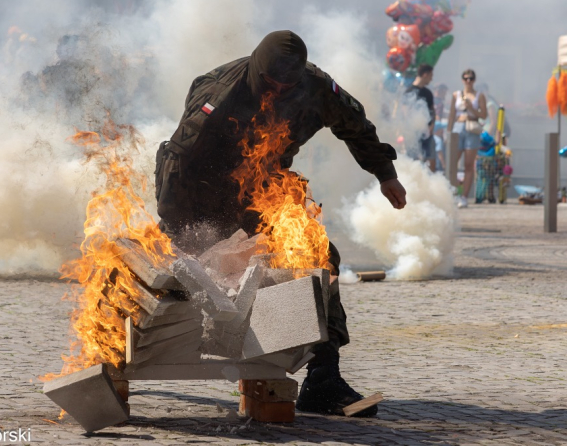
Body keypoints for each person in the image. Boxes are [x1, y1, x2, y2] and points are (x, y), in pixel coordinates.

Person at [155, 30, 406, 417]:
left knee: (319, 258)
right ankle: (232, 352)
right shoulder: (221, 91)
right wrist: (181, 230)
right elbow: (176, 160)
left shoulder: (316, 86)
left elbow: (354, 124)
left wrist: (385, 172)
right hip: (205, 196)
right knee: (219, 281)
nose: (277, 92)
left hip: (264, 191)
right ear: (258, 71)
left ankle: (323, 378)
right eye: (270, 83)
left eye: (286, 85)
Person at [447, 69, 488, 208]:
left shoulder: (479, 96)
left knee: (468, 165)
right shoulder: (456, 95)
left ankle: (464, 196)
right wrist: (448, 132)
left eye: (470, 78)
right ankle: (451, 192)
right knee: (453, 163)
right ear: (462, 80)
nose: (468, 81)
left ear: (474, 80)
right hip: (458, 127)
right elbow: (452, 115)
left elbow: (484, 115)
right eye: (466, 78)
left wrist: (471, 108)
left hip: (472, 127)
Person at [405, 64, 436, 171]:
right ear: (425, 74)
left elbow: (432, 111)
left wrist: (431, 126)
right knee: (413, 160)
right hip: (413, 132)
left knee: (430, 159)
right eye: (430, 75)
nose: (431, 78)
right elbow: (405, 112)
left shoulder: (428, 93)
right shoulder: (409, 91)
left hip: (426, 132)